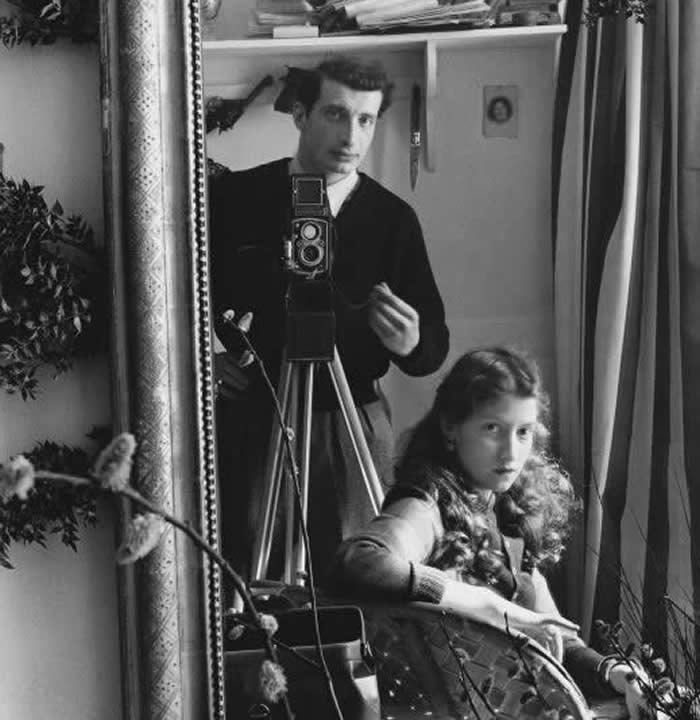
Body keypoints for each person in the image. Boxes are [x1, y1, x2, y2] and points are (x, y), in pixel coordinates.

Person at [208, 55, 449, 584]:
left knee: (359, 572)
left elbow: (432, 347)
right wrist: (204, 359)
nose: (351, 135)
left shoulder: (392, 220)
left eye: (366, 120)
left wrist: (410, 341)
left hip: (351, 419)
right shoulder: (234, 199)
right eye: (336, 114)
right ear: (301, 115)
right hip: (254, 414)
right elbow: (178, 300)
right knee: (246, 573)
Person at [330, 347, 656, 718]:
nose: (510, 452)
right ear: (451, 427)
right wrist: (485, 604)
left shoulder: (509, 511)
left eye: (523, 432)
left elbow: (555, 639)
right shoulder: (425, 505)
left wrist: (614, 672)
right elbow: (358, 561)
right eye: (492, 429)